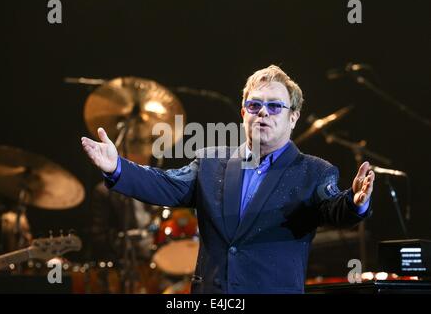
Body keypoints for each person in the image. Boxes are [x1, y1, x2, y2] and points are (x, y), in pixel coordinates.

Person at [81, 65, 375, 294]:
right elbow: (166, 184)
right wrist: (117, 167)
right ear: (242, 112)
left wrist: (355, 203)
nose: (263, 112)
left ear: (293, 117)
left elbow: (334, 206)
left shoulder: (314, 171)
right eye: (254, 105)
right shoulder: (211, 162)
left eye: (275, 106)